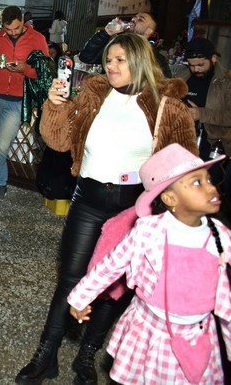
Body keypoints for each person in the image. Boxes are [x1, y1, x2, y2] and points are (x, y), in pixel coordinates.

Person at [15, 32, 197, 385]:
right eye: (108, 60)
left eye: (119, 60)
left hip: (133, 208)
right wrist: (54, 105)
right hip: (87, 198)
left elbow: (185, 165)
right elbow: (59, 141)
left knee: (115, 288)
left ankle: (87, 356)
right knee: (70, 280)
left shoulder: (167, 106)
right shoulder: (95, 93)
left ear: (139, 61)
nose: (111, 66)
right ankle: (45, 356)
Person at [68, 143, 231, 385]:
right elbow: (112, 264)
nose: (211, 187)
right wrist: (81, 297)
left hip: (197, 336)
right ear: (170, 198)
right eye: (197, 182)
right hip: (151, 333)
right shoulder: (149, 231)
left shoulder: (221, 236)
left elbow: (226, 295)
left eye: (208, 180)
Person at [0, 5, 48, 201]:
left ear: (23, 21)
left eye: (16, 28)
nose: (12, 32)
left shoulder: (37, 39)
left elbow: (44, 71)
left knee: (3, 146)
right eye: (8, 29)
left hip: (18, 100)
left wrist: (24, 69)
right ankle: (1, 183)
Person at [183, 37, 230, 201]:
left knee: (206, 192)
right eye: (191, 65)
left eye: (200, 64)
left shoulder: (226, 82)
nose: (195, 69)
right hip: (183, 143)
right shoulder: (182, 77)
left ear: (213, 58)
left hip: (214, 144)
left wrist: (201, 114)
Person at [79, 12, 172, 78]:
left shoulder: (155, 58)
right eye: (134, 17)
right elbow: (86, 57)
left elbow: (165, 84)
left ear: (149, 31)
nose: (134, 20)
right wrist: (106, 33)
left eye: (140, 20)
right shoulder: (116, 47)